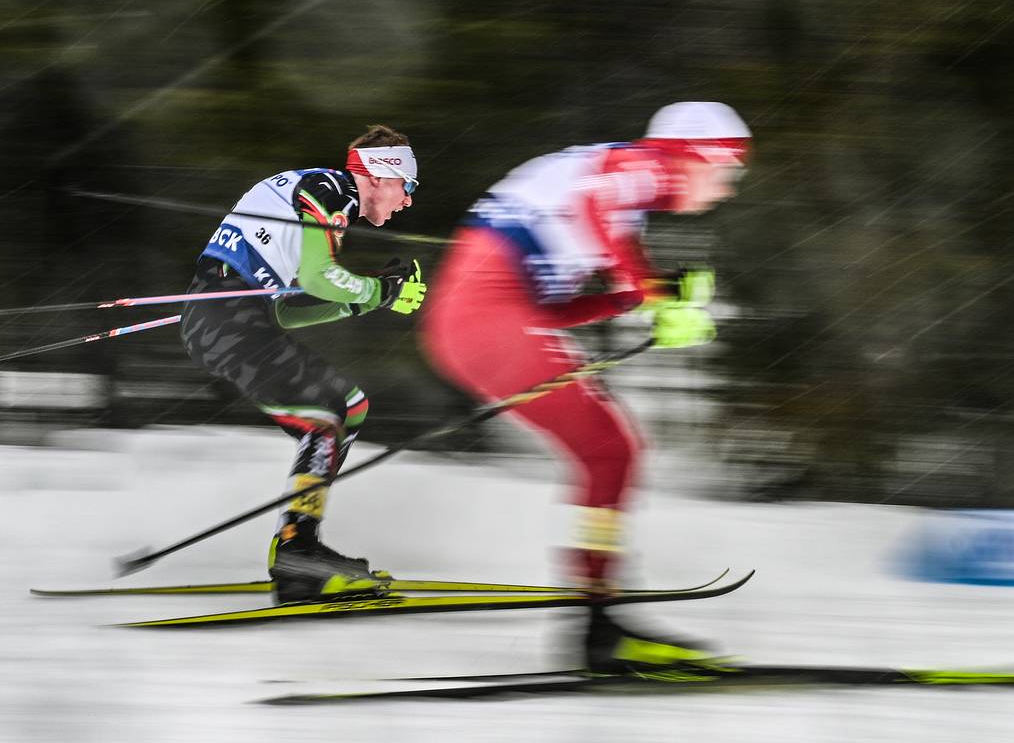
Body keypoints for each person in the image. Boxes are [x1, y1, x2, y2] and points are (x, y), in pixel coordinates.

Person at [420, 101, 750, 675]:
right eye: (726, 171)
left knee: (609, 455)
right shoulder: (639, 167)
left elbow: (548, 307)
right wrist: (645, 290)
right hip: (482, 321)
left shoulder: (626, 198)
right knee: (610, 452)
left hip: (480, 323)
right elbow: (600, 202)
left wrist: (638, 297)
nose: (727, 189)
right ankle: (598, 627)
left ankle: (599, 621)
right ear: (692, 157)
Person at [180, 124, 426, 603]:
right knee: (335, 410)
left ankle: (299, 546)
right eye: (408, 186)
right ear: (379, 174)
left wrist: (370, 299)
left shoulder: (324, 196)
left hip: (226, 316)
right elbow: (319, 276)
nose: (408, 200)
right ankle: (296, 553)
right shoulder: (330, 190)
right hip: (226, 315)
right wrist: (383, 293)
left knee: (343, 411)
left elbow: (287, 309)